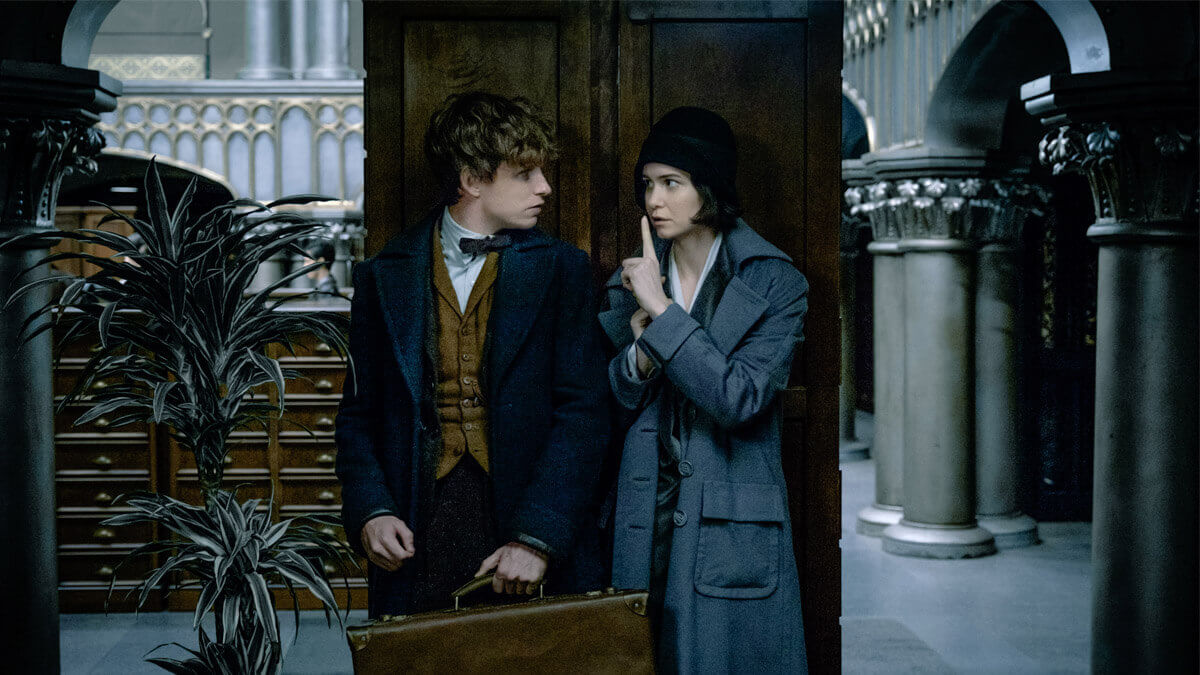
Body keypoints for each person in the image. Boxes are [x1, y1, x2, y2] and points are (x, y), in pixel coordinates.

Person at [335, 91, 610, 617]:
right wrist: (372, 510)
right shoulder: (384, 273)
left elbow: (585, 414)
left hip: (524, 512)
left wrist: (537, 537)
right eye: (525, 174)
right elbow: (358, 415)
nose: (544, 187)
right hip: (417, 520)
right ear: (472, 180)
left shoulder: (562, 269)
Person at [598, 107, 810, 673]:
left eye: (672, 183)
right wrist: (641, 356)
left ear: (709, 187)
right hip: (641, 516)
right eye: (648, 184)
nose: (654, 200)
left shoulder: (775, 282)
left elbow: (739, 399)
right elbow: (608, 406)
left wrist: (662, 312)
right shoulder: (627, 284)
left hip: (730, 524)